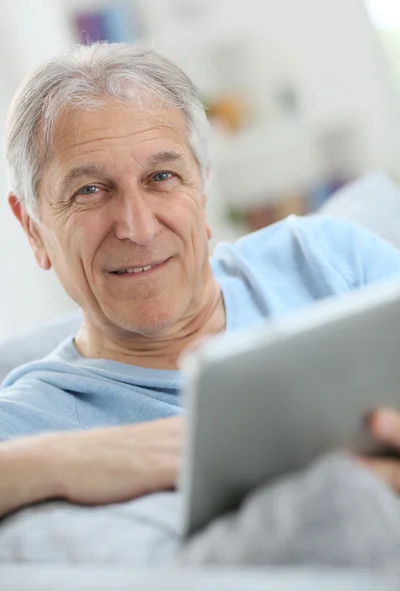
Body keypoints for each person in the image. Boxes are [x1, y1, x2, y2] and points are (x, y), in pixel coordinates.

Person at [1, 42, 400, 520]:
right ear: (32, 229)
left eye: (162, 176)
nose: (138, 226)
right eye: (89, 190)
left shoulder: (326, 258)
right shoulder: (29, 422)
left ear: (203, 186)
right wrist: (52, 462)